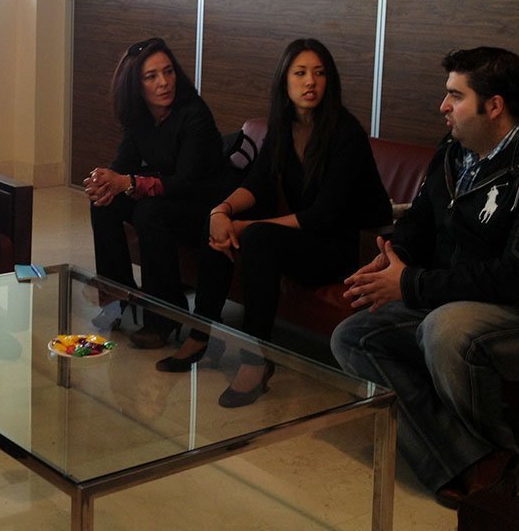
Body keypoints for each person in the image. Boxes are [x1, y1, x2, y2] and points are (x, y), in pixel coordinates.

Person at [332, 47, 519, 508]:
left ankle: (491, 471)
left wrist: (412, 284)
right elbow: (421, 219)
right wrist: (396, 257)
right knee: (352, 337)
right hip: (471, 299)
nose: (443, 106)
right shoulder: (454, 150)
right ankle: (471, 460)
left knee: (446, 331)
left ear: (494, 105)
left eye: (455, 95)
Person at [160, 38, 392, 410]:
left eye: (319, 73)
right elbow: (257, 183)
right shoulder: (283, 127)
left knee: (258, 237)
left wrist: (244, 227)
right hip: (306, 238)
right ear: (284, 80)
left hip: (345, 249)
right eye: (300, 73)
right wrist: (221, 212)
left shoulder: (345, 133)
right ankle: (202, 332)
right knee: (219, 226)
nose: (310, 82)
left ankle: (257, 358)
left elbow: (323, 215)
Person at [85, 37, 227, 349]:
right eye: (151, 76)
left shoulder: (194, 113)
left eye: (168, 72)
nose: (164, 82)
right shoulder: (139, 117)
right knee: (104, 204)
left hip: (205, 205)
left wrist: (130, 182)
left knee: (148, 211)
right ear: (135, 85)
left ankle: (165, 313)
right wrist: (104, 182)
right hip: (169, 195)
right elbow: (122, 165)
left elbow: (185, 182)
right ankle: (117, 297)